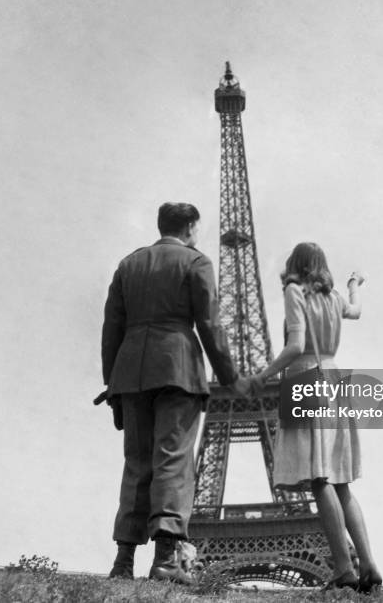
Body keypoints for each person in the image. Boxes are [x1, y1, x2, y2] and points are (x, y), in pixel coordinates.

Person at [101, 202, 249, 583]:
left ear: (160, 225)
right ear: (192, 227)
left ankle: (123, 560)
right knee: (173, 459)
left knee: (136, 462)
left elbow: (111, 329)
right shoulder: (196, 262)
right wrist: (231, 376)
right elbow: (210, 325)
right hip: (178, 369)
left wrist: (112, 383)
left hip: (131, 372)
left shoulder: (129, 264)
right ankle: (166, 559)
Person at [246, 242, 382, 592]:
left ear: (295, 266)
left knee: (320, 479)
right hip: (336, 379)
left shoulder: (295, 291)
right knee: (341, 482)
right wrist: (354, 285)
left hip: (305, 378)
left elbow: (295, 346)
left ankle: (343, 570)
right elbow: (356, 311)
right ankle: (369, 565)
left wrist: (263, 375)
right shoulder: (334, 297)